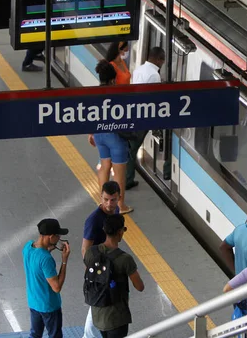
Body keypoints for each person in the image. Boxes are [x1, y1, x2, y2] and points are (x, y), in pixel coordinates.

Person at [84, 214, 144, 338]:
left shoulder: (91, 252)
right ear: (120, 232)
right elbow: (140, 286)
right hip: (117, 318)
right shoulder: (125, 259)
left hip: (98, 314)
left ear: (104, 230)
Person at [87, 60, 133, 214]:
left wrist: (91, 133)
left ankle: (104, 203)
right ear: (113, 79)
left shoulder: (94, 94)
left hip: (99, 135)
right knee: (119, 172)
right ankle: (120, 206)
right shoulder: (117, 94)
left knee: (104, 167)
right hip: (115, 137)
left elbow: (91, 115)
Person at [81, 181, 121, 338]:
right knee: (97, 302)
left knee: (106, 301)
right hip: (98, 269)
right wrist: (93, 272)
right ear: (101, 197)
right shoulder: (94, 220)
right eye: (106, 200)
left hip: (109, 265)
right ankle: (88, 335)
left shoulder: (116, 211)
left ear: (119, 198)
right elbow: (85, 249)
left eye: (113, 200)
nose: (109, 204)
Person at [125, 47, 166, 189]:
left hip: (135, 112)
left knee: (132, 147)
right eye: (162, 60)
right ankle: (127, 179)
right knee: (133, 147)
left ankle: (127, 177)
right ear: (158, 59)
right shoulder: (155, 75)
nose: (162, 63)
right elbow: (154, 98)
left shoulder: (138, 69)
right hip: (145, 115)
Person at [22, 218, 71, 338]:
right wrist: (64, 261)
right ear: (51, 237)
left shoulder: (28, 247)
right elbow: (56, 287)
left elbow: (36, 263)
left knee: (35, 334)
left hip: (34, 302)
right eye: (58, 235)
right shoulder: (46, 259)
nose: (59, 238)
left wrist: (47, 250)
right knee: (55, 335)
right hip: (49, 306)